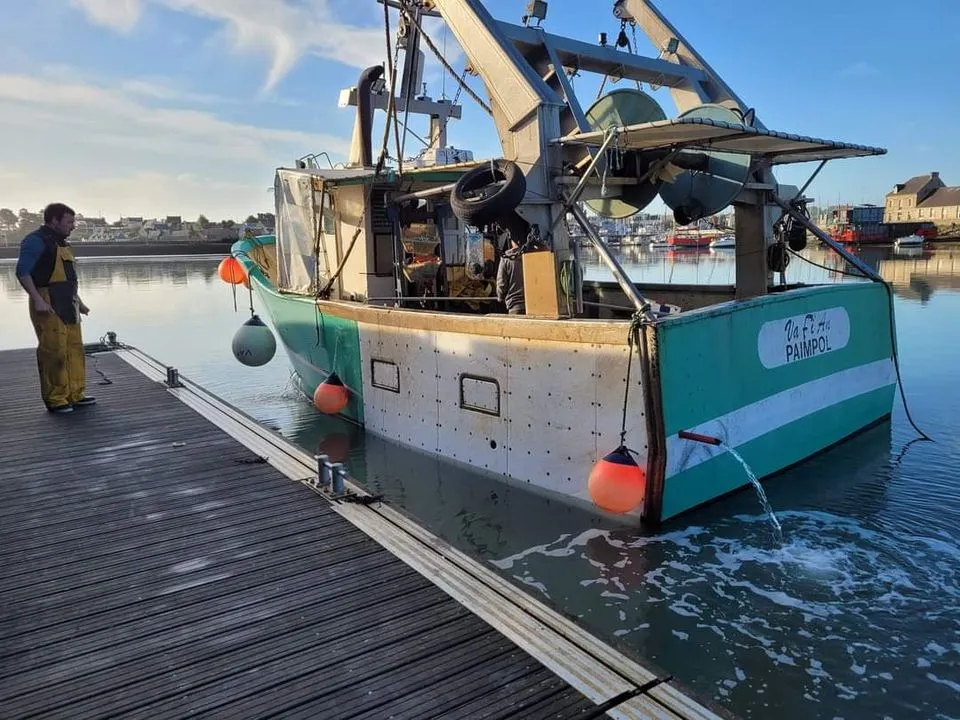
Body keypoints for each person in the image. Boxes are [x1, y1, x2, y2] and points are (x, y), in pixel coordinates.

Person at [16, 203, 95, 413]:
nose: (73, 226)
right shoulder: (35, 241)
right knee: (54, 352)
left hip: (69, 302)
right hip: (47, 301)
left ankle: (76, 394)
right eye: (69, 221)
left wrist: (80, 302)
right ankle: (56, 399)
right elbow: (22, 272)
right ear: (54, 221)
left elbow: (68, 278)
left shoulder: (64, 244)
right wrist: (37, 300)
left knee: (74, 349)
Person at [496, 233, 525, 315]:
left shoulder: (506, 258)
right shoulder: (536, 255)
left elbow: (501, 284)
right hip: (536, 306)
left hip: (515, 307)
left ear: (512, 240)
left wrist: (500, 297)